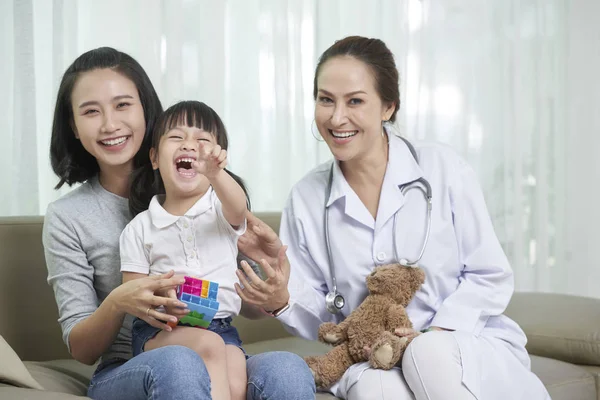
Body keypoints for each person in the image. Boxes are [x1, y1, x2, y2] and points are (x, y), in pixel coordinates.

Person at [236, 36, 551, 399]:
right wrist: (281, 294)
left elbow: (489, 274)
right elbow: (322, 315)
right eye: (326, 100)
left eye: (354, 100)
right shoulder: (307, 198)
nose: (337, 118)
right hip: (376, 358)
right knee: (374, 389)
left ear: (388, 106)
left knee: (426, 353)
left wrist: (436, 333)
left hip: (461, 343)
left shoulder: (443, 169)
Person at [43, 47, 315, 400]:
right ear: (74, 127)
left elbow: (247, 303)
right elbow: (82, 349)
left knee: (287, 368)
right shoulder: (69, 217)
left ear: (147, 111)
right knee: (180, 363)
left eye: (123, 105)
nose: (110, 124)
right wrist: (118, 302)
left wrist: (273, 278)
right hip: (133, 364)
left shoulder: (200, 186)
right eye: (91, 111)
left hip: (216, 347)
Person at [121, 100, 250, 400]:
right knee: (209, 346)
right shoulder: (141, 227)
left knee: (235, 377)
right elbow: (132, 293)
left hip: (222, 327)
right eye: (177, 137)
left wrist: (217, 175)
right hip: (160, 331)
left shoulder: (221, 211)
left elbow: (239, 207)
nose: (189, 145)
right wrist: (157, 299)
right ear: (154, 158)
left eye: (203, 140)